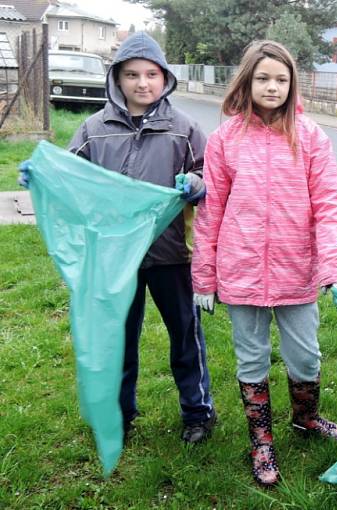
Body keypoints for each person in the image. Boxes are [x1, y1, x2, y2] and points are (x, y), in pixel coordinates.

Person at [20, 32, 217, 444]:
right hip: (114, 258)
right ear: (116, 79)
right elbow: (71, 175)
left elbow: (210, 175)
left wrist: (195, 184)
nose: (142, 83)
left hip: (172, 255)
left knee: (185, 336)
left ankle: (198, 412)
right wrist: (43, 175)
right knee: (119, 339)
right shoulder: (94, 129)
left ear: (165, 77)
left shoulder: (184, 129)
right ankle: (120, 414)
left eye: (151, 74)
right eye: (131, 75)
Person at [191, 40, 337, 488]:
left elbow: (329, 204)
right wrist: (204, 276)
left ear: (292, 84)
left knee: (305, 355)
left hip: (296, 268)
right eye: (263, 78)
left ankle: (306, 417)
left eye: (281, 79)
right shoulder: (225, 139)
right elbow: (211, 212)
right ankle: (261, 440)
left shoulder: (311, 137)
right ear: (247, 80)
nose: (272, 87)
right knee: (251, 358)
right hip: (240, 268)